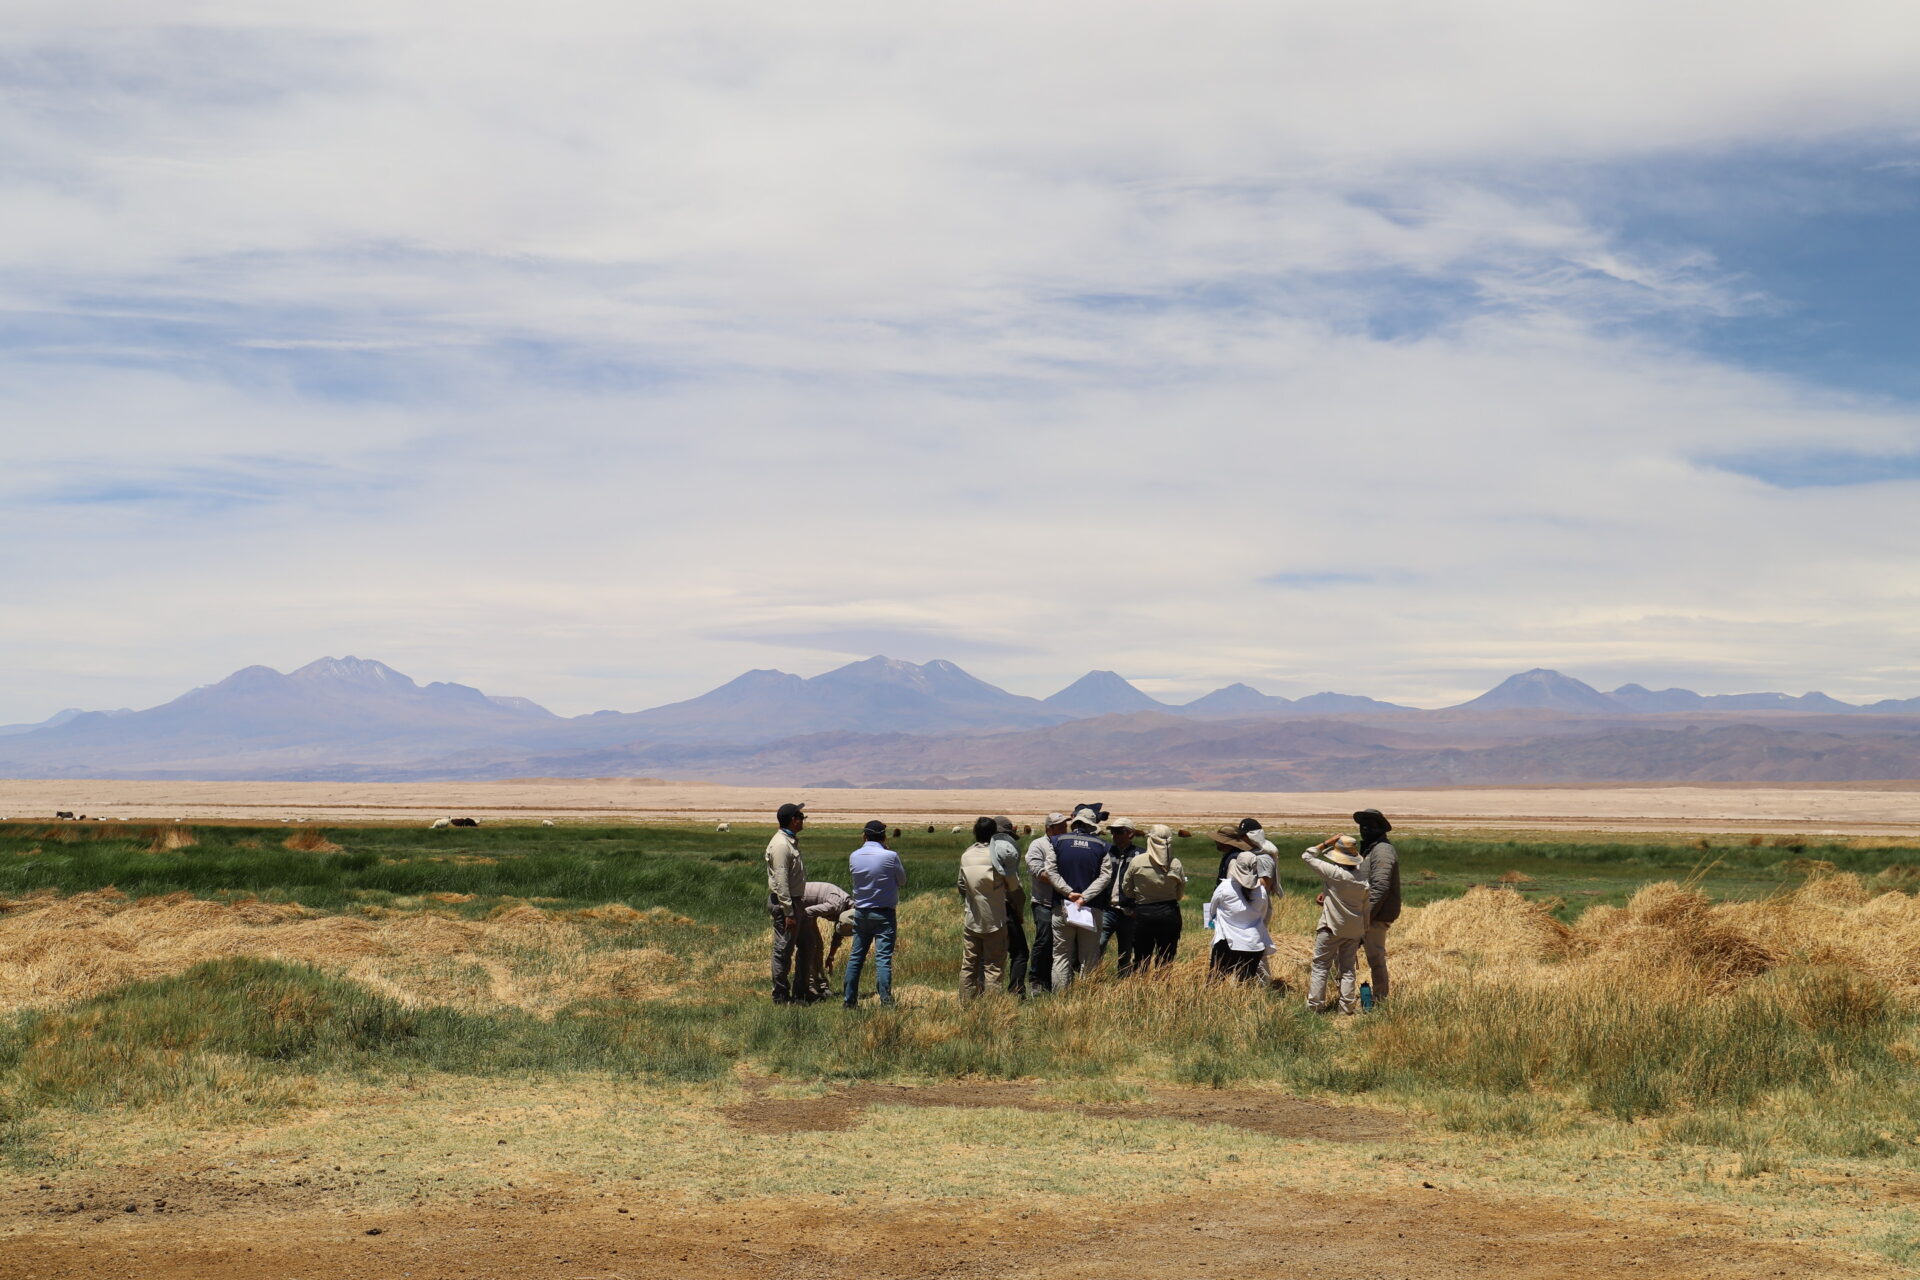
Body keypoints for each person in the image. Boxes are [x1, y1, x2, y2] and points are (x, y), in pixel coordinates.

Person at [1043, 807, 1112, 990]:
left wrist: (1068, 892)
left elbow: (1050, 870)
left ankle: (1060, 997)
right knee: (1089, 956)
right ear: (1092, 825)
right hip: (1091, 909)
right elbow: (1105, 877)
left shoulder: (1057, 842)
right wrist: (1084, 897)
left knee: (1061, 955)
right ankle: (1085, 997)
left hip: (1061, 906)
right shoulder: (1102, 846)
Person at [1300, 835, 1370, 1014]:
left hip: (1331, 926)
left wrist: (1327, 842)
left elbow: (1307, 856)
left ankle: (1315, 1006)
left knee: (1321, 966)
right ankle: (1346, 1007)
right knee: (1347, 968)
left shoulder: (1334, 873)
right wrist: (1363, 931)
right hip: (1353, 929)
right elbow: (1363, 907)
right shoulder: (1362, 879)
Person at [843, 818, 905, 1007]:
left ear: (864, 836)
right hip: (884, 914)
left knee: (856, 957)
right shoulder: (890, 856)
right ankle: (885, 1000)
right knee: (883, 958)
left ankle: (849, 1000)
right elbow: (902, 880)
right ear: (884, 837)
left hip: (861, 912)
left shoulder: (854, 856)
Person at [957, 816, 1019, 999]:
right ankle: (992, 1008)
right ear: (994, 834)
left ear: (975, 832)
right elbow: (1013, 885)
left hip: (972, 918)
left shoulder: (966, 855)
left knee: (969, 964)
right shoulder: (997, 856)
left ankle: (966, 1003)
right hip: (996, 919)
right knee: (993, 966)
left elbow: (961, 884)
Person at [765, 801, 814, 1005]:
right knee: (784, 950)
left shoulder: (789, 841)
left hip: (795, 902)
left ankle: (801, 991)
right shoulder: (781, 845)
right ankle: (781, 996)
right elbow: (781, 881)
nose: (803, 820)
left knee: (806, 944)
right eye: (801, 817)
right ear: (793, 820)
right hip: (787, 904)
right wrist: (789, 912)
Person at [1121, 823, 1185, 971]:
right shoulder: (1175, 863)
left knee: (1141, 957)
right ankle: (1162, 986)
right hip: (1169, 913)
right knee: (1166, 957)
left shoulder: (1137, 861)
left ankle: (1141, 985)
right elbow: (1179, 894)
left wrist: (1139, 897)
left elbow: (1127, 889)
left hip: (1144, 912)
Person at [1354, 808, 1401, 1004]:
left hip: (1375, 915)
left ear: (1379, 828)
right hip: (1366, 913)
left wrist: (1365, 917)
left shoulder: (1382, 850)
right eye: (1362, 824)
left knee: (1375, 958)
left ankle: (1380, 998)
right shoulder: (1371, 849)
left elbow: (1380, 887)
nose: (1364, 828)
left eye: (1369, 825)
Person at [1204, 848, 1269, 982]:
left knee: (1215, 982)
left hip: (1227, 942)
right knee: (1246, 985)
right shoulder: (1261, 891)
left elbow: (1212, 910)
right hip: (1253, 944)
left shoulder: (1224, 887)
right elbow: (1262, 914)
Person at [1024, 812, 1067, 994]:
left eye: (1066, 825)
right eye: (1061, 826)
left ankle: (1055, 979)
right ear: (1049, 828)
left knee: (1062, 942)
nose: (1065, 828)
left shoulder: (1067, 844)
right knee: (1045, 938)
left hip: (1064, 902)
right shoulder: (1038, 845)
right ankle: (1036, 979)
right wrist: (1067, 882)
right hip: (1044, 902)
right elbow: (1039, 873)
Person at [991, 816, 1030, 996]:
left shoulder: (975, 852)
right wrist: (1019, 911)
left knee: (988, 954)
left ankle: (981, 991)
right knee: (1020, 952)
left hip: (981, 910)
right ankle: (1016, 990)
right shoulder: (1006, 852)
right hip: (1006, 908)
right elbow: (1014, 889)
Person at [796, 880, 852, 1001]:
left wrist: (831, 956)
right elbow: (807, 912)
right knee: (811, 946)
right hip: (798, 903)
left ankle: (821, 985)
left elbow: (838, 934)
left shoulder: (849, 910)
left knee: (817, 945)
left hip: (808, 906)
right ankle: (809, 987)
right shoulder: (835, 906)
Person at [1099, 818, 1141, 975]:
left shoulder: (1140, 855)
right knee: (1098, 944)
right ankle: (1093, 979)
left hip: (1129, 910)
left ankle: (1122, 982)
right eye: (1112, 831)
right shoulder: (1106, 852)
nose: (1114, 835)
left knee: (1126, 949)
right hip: (1107, 908)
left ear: (1130, 834)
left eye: (1119, 831)